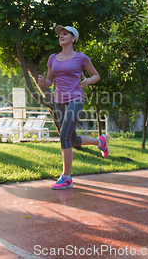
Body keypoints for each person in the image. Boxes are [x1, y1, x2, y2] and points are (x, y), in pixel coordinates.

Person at [38, 25, 109, 190]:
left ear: (73, 38)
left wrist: (88, 81)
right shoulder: (53, 58)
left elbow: (96, 75)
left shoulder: (81, 58)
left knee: (64, 136)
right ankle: (100, 141)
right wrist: (44, 83)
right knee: (73, 140)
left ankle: (67, 177)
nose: (61, 36)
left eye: (65, 34)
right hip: (59, 101)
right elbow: (50, 81)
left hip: (76, 99)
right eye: (60, 34)